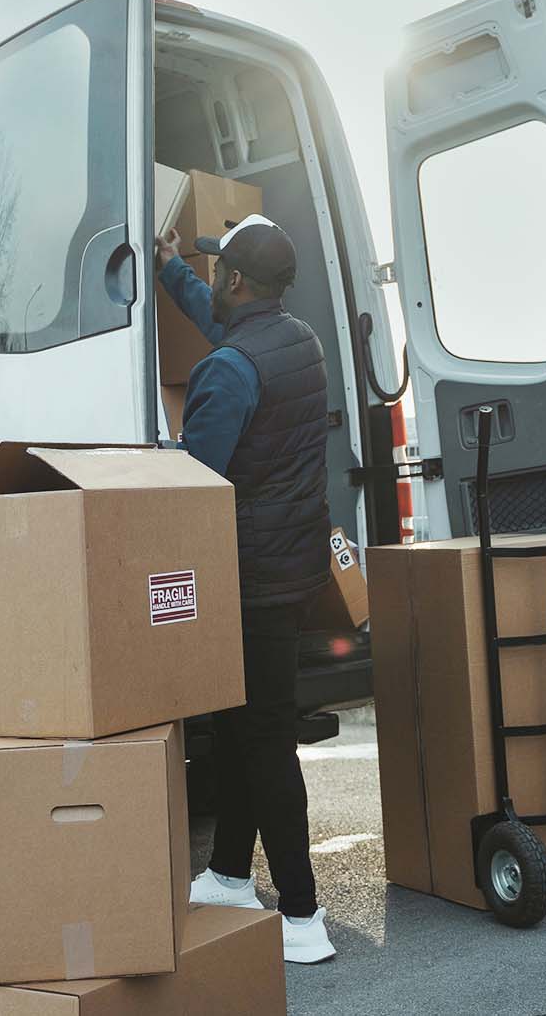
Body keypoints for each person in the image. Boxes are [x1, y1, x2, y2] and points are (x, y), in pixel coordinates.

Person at [155, 213, 336, 966]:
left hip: (247, 582)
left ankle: (303, 913)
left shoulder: (229, 369)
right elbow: (227, 329)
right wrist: (172, 269)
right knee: (237, 729)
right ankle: (230, 873)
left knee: (263, 739)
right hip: (291, 572)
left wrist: (157, 460)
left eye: (215, 272)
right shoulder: (301, 343)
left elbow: (198, 479)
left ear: (236, 279)